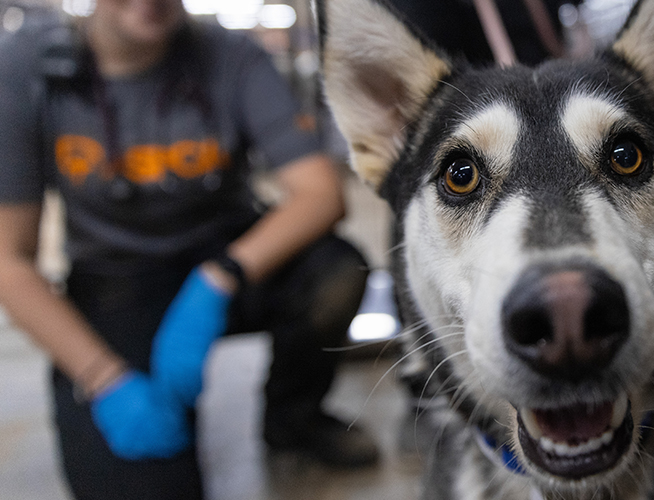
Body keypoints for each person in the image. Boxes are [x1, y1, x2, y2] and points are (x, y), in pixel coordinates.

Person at [0, 1, 378, 499]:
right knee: (145, 482)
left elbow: (321, 194)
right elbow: (10, 260)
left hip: (222, 251)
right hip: (115, 275)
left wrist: (219, 277)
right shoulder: (26, 67)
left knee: (335, 271)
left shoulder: (230, 55)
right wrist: (102, 376)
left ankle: (293, 419)